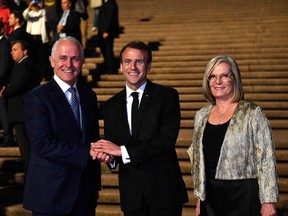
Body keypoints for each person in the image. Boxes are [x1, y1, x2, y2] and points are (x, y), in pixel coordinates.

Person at [90, 41, 188, 216]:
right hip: (131, 196)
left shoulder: (166, 96)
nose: (133, 67)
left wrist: (121, 151)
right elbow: (116, 149)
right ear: (121, 66)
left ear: (148, 66)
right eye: (127, 61)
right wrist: (108, 157)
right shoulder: (111, 106)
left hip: (164, 195)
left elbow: (165, 141)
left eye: (139, 62)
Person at [187, 55, 278, 216]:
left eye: (224, 75)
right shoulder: (201, 115)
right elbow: (198, 160)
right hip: (211, 196)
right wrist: (200, 198)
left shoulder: (251, 112)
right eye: (212, 76)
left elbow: (266, 159)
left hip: (243, 194)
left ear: (234, 79)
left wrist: (268, 201)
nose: (218, 81)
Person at [23, 36, 101, 216]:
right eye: (63, 58)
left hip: (85, 194)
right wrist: (86, 151)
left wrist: (95, 184)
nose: (69, 64)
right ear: (52, 61)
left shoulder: (89, 96)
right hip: (51, 193)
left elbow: (93, 139)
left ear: (81, 62)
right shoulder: (37, 97)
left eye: (75, 58)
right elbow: (42, 144)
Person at [0, 40, 38, 171]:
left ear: (25, 51)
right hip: (20, 113)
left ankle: (30, 175)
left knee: (26, 147)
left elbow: (17, 85)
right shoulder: (21, 64)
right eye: (12, 50)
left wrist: (5, 91)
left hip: (23, 112)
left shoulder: (25, 64)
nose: (12, 52)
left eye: (15, 49)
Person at [23, 0, 51, 81]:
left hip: (41, 38)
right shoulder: (30, 13)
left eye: (36, 4)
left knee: (42, 58)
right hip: (32, 37)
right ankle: (34, 75)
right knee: (33, 57)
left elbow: (44, 15)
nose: (34, 6)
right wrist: (29, 6)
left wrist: (40, 6)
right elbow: (24, 14)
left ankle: (43, 75)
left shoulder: (42, 12)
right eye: (33, 5)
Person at [0, 20, 16, 147]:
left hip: (2, 84)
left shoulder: (4, 44)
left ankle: (8, 136)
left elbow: (4, 67)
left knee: (3, 111)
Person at [97, 0, 119, 74]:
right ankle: (108, 66)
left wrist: (106, 30)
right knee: (103, 48)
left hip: (107, 32)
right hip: (102, 31)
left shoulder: (111, 3)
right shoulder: (105, 3)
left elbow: (110, 17)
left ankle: (111, 68)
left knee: (108, 50)